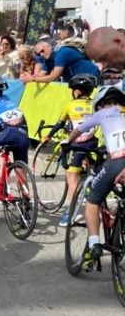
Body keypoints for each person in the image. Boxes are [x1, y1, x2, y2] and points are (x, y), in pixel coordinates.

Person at [66, 85, 125, 271]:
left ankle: (94, 245)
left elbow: (79, 130)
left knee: (92, 200)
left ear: (99, 104)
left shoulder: (101, 113)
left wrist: (67, 142)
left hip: (118, 161)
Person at [45, 73, 98, 225]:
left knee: (71, 177)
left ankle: (72, 212)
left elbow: (60, 124)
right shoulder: (95, 104)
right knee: (91, 169)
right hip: (93, 143)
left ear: (77, 91)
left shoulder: (70, 105)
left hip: (77, 144)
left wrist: (48, 136)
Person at [32, 34, 99, 84]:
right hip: (78, 80)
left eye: (42, 51)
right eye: (38, 54)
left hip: (92, 75)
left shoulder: (62, 52)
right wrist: (30, 78)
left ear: (49, 47)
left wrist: (33, 79)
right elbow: (41, 74)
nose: (41, 54)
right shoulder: (47, 60)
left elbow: (54, 76)